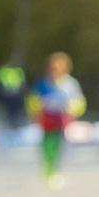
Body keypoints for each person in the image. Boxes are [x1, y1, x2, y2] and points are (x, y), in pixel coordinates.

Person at [29, 50, 85, 187]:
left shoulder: (70, 84)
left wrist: (73, 110)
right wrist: (35, 112)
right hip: (46, 117)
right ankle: (47, 166)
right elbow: (33, 99)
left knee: (59, 144)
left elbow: (79, 101)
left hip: (62, 118)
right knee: (46, 143)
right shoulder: (43, 83)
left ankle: (54, 170)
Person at [0, 60, 28, 133]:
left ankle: (13, 120)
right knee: (11, 107)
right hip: (10, 92)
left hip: (12, 92)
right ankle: (12, 120)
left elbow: (22, 80)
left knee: (13, 107)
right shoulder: (6, 70)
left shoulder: (6, 70)